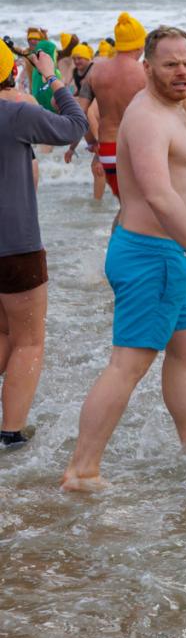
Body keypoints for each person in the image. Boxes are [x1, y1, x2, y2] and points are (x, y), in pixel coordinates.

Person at [62, 27, 186, 492]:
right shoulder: (149, 118)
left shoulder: (176, 105)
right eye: (170, 64)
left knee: (183, 351)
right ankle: (83, 470)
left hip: (162, 254)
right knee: (128, 365)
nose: (181, 72)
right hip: (152, 254)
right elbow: (158, 193)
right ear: (147, 67)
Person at [0, 46, 88, 451]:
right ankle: (11, 433)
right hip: (16, 245)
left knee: (3, 333)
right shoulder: (17, 113)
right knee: (29, 340)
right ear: (13, 70)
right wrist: (52, 77)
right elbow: (74, 126)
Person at [80, 12, 149, 199]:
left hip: (108, 150)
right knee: (138, 210)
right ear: (139, 44)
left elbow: (79, 113)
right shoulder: (145, 73)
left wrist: (92, 142)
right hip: (137, 148)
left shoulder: (96, 72)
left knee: (127, 208)